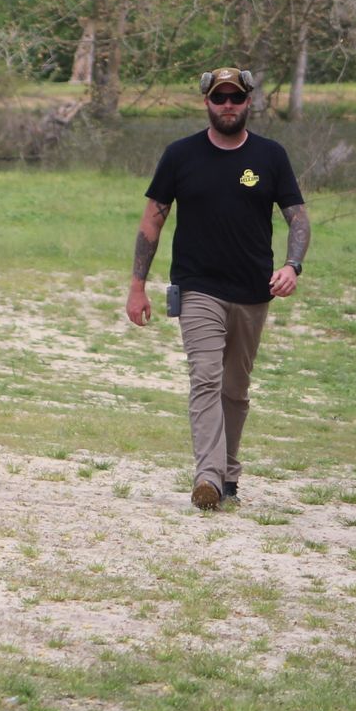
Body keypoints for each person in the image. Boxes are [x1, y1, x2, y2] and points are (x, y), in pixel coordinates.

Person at [125, 67, 310, 511]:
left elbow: (298, 218)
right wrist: (137, 286)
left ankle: (227, 476)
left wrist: (292, 266)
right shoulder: (180, 155)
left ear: (249, 103)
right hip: (198, 288)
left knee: (235, 389)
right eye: (219, 98)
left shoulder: (271, 156)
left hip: (253, 291)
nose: (228, 106)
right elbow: (153, 220)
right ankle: (206, 476)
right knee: (205, 378)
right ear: (206, 102)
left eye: (236, 98)